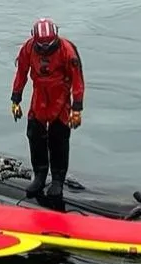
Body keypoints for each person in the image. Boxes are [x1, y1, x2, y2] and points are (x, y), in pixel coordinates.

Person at [10, 17, 85, 199]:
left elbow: (77, 80)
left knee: (58, 139)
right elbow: (21, 72)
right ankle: (40, 175)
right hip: (39, 97)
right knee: (34, 135)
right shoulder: (28, 48)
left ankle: (58, 179)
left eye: (48, 46)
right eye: (41, 46)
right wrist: (16, 99)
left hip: (60, 98)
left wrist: (77, 109)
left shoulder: (67, 51)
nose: (44, 50)